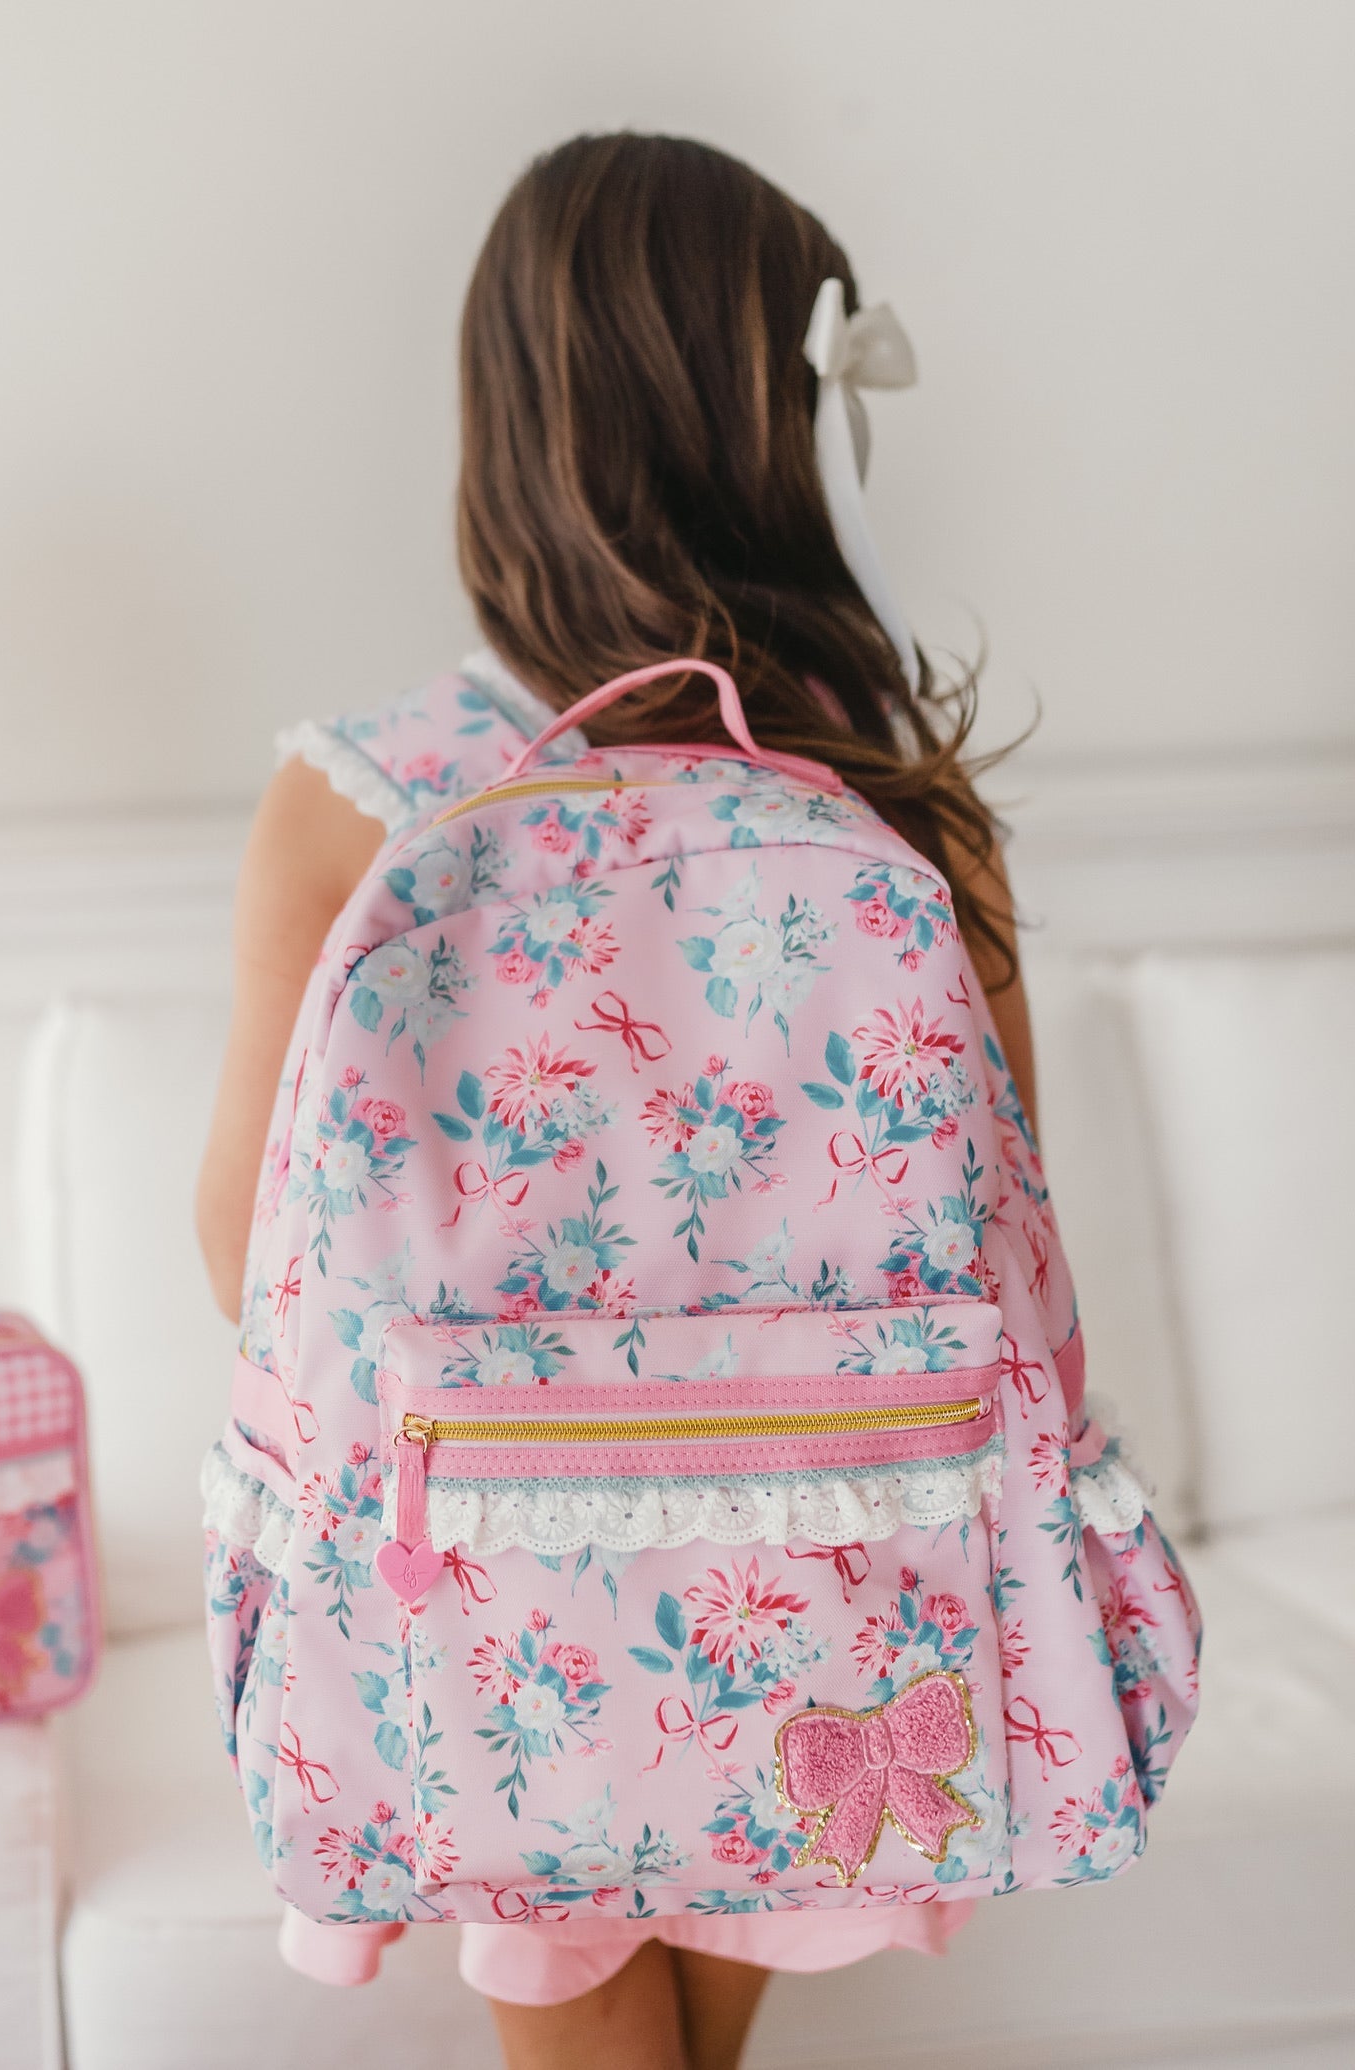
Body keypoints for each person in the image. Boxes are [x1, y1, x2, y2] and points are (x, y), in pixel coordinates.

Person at [197, 131, 1038, 2070]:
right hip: (829, 1583)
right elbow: (1006, 1240)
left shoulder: (364, 796)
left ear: (507, 433)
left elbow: (237, 1222)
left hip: (486, 1585)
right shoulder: (900, 813)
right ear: (792, 444)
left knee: (568, 1970)